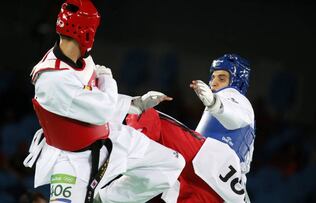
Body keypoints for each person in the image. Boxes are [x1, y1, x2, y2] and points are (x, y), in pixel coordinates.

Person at [23, 0, 185, 202]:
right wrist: (108, 78)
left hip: (110, 137)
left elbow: (93, 101)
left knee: (170, 164)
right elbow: (102, 109)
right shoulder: (53, 79)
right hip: (72, 160)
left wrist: (135, 104)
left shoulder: (83, 60)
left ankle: (103, 199)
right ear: (87, 32)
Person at [126, 54, 255, 203]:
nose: (213, 83)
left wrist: (215, 103)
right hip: (215, 187)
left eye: (221, 78)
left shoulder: (236, 98)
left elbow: (236, 116)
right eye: (213, 77)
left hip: (214, 162)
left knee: (145, 112)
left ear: (236, 81)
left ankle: (126, 152)